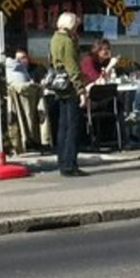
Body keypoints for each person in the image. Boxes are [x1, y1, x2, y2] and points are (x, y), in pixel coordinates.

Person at [49, 11, 88, 177]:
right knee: (73, 126)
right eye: (76, 26)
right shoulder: (68, 42)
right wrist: (81, 91)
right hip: (70, 87)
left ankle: (62, 161)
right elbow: (72, 67)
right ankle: (70, 164)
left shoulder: (54, 39)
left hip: (59, 85)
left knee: (62, 126)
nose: (77, 29)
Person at [4, 48, 51, 153]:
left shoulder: (38, 69)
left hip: (37, 103)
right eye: (18, 59)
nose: (21, 61)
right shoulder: (14, 73)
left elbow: (46, 81)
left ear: (28, 58)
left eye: (23, 58)